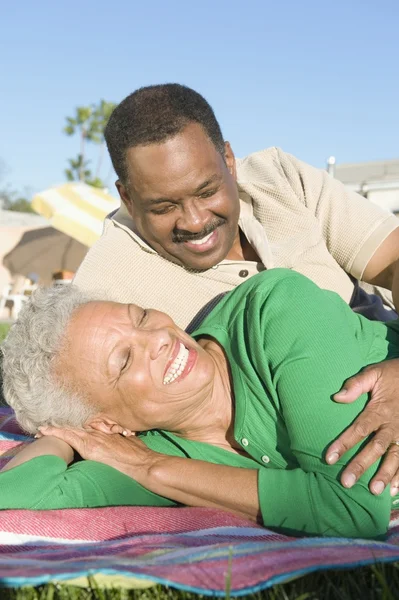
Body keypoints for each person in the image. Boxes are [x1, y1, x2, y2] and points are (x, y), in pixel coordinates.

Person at [72, 84, 399, 495]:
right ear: (127, 196)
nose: (194, 221)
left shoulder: (277, 177)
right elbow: (66, 409)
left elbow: (393, 259)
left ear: (229, 160)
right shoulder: (105, 290)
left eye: (207, 192)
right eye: (163, 207)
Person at [2, 270, 399, 538]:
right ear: (105, 425)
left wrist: (151, 469)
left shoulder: (275, 309)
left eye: (139, 316)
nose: (157, 337)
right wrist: (63, 435)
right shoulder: (143, 446)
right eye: (124, 360)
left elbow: (352, 510)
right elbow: (23, 494)